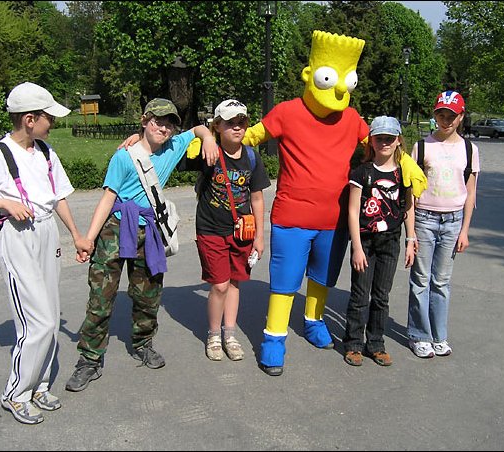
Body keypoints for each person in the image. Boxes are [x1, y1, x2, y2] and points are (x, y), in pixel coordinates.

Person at [239, 30, 427, 376]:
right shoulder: (286, 112)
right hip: (292, 217)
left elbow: (381, 145)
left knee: (322, 277)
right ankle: (274, 338)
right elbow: (247, 136)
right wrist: (206, 136)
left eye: (346, 81)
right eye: (330, 78)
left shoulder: (351, 118)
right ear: (310, 75)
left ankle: (313, 320)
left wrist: (408, 165)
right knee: (284, 281)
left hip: (335, 219)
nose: (339, 89)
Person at [0, 82, 92, 425]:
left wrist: (76, 235)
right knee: (38, 322)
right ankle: (16, 394)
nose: (53, 123)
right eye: (49, 118)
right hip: (19, 238)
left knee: (51, 315)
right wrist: (5, 202)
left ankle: (39, 385)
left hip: (46, 233)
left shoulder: (45, 151)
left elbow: (58, 197)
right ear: (30, 119)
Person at [65, 98, 219, 392]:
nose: (164, 128)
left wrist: (208, 137)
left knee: (148, 293)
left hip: (150, 229)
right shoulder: (124, 157)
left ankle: (143, 343)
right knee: (100, 297)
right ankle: (89, 359)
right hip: (115, 228)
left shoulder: (173, 146)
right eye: (158, 121)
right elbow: (108, 198)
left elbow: (198, 129)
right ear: (145, 121)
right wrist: (88, 239)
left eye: (169, 123)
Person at [182, 99, 271, 361]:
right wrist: (205, 136)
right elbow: (172, 147)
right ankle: (213, 335)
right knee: (219, 285)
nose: (237, 127)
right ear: (218, 126)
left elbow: (257, 198)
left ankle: (229, 334)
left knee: (234, 283)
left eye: (242, 121)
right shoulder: (208, 152)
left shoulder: (252, 157)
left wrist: (260, 237)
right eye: (230, 122)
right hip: (210, 229)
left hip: (242, 231)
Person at [407, 91, 480, 359]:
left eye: (452, 116)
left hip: (453, 221)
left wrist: (465, 231)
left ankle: (439, 335)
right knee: (421, 279)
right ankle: (420, 335)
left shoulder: (470, 150)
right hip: (425, 218)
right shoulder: (422, 147)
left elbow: (470, 193)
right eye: (441, 115)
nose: (446, 121)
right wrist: (411, 234)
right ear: (435, 115)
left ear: (461, 117)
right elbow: (411, 193)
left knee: (441, 281)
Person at [342, 116, 416, 367]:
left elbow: (408, 208)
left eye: (389, 138)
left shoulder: (403, 173)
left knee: (381, 296)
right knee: (360, 295)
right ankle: (353, 343)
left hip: (390, 241)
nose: (384, 143)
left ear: (398, 141)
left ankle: (375, 343)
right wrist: (357, 248)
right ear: (371, 142)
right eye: (379, 138)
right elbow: (353, 211)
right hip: (365, 241)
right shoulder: (362, 173)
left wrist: (410, 239)